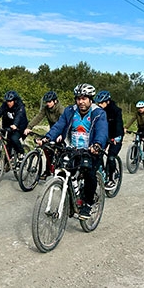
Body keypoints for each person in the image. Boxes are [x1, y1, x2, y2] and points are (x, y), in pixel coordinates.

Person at [41, 83, 107, 220]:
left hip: (91, 150)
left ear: (90, 99)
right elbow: (59, 125)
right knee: (63, 169)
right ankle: (71, 196)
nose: (81, 101)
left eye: (84, 98)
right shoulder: (70, 111)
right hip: (71, 148)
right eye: (78, 98)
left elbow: (102, 131)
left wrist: (97, 144)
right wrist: (48, 137)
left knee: (90, 174)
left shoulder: (98, 113)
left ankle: (88, 204)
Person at [24, 90, 63, 179]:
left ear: (55, 101)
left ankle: (61, 170)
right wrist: (29, 127)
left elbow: (63, 122)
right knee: (47, 149)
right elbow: (38, 117)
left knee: (61, 151)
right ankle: (47, 171)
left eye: (49, 102)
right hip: (52, 131)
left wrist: (61, 134)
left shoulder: (60, 109)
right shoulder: (46, 109)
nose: (48, 103)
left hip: (62, 131)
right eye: (46, 102)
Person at [0, 90, 29, 162]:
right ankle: (7, 163)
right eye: (7, 101)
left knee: (14, 139)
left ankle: (21, 153)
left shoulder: (20, 107)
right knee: (8, 144)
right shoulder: (5, 105)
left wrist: (15, 125)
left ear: (15, 101)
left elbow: (19, 116)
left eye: (10, 101)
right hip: (8, 126)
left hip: (20, 126)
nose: (9, 103)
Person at [94, 90, 124, 190]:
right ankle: (101, 173)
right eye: (98, 103)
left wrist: (117, 137)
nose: (99, 105)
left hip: (115, 136)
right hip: (104, 136)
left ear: (108, 102)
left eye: (101, 103)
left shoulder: (116, 111)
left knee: (111, 157)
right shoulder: (97, 111)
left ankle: (111, 179)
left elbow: (119, 125)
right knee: (97, 154)